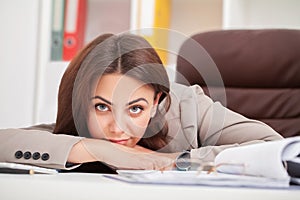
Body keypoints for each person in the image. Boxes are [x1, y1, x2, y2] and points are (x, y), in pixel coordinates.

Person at [0, 33, 283, 173]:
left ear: (157, 101)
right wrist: (94, 148)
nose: (117, 127)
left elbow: (274, 148)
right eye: (102, 107)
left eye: (135, 108)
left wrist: (173, 161)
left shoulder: (188, 108)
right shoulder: (81, 128)